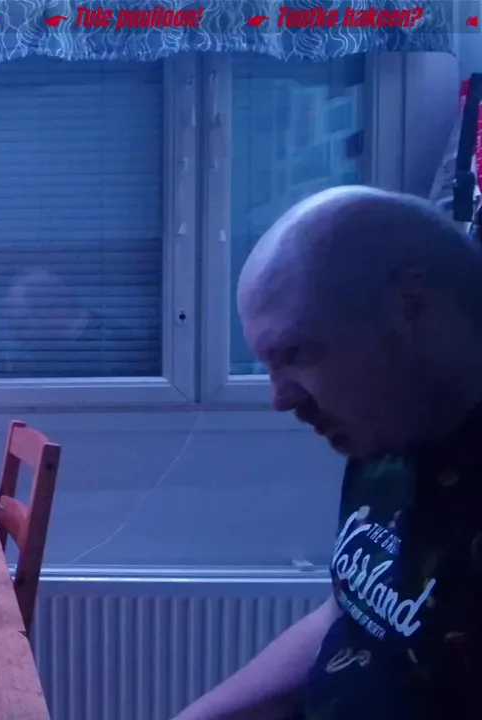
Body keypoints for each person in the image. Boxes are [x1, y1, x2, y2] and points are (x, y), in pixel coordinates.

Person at [175, 185, 482, 720]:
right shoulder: (388, 438)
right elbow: (352, 611)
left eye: (297, 353)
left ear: (409, 306)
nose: (281, 399)